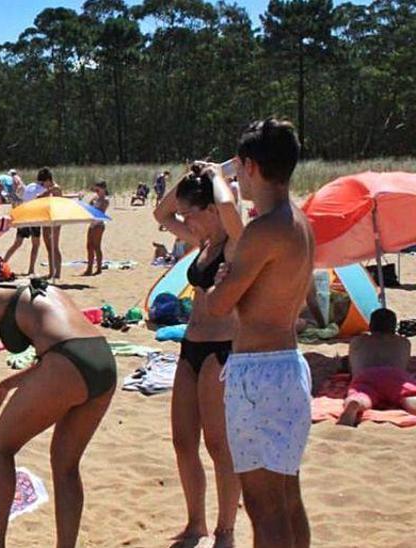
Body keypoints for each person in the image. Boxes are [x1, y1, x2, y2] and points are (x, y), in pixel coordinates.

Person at [0, 251, 115, 548]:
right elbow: (64, 348)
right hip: (103, 362)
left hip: (66, 363)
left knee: (0, 447)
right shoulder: (35, 286)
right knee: (66, 464)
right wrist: (9, 384)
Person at [203, 118, 313, 548]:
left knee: (263, 507)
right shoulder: (299, 222)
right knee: (287, 497)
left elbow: (218, 304)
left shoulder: (264, 229)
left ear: (249, 167)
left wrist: (221, 281)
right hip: (288, 364)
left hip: (258, 373)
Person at [154, 166, 246, 547]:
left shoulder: (237, 242)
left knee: (218, 444)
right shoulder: (202, 240)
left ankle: (226, 530)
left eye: (192, 212)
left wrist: (218, 174)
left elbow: (230, 210)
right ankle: (196, 523)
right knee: (182, 440)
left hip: (222, 348)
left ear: (211, 210)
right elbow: (161, 214)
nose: (185, 219)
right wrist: (190, 174)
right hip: (191, 345)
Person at [338, 309, 414, 426]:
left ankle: (355, 403)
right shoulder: (404, 342)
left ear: (371, 325)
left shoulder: (357, 341)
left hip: (366, 376)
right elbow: (404, 365)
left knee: (362, 396)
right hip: (396, 377)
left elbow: (352, 367)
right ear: (393, 327)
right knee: (407, 396)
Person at [3, 170, 48, 276]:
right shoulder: (44, 190)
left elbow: (23, 195)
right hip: (34, 218)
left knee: (17, 243)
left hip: (24, 216)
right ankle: (31, 269)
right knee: (36, 244)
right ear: (46, 180)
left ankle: (3, 263)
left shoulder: (31, 185)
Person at [83, 181, 110, 277]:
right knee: (89, 246)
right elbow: (89, 207)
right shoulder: (95, 198)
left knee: (96, 246)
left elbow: (100, 211)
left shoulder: (105, 200)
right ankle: (89, 268)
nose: (96, 191)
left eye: (98, 189)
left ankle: (98, 268)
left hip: (99, 224)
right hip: (92, 223)